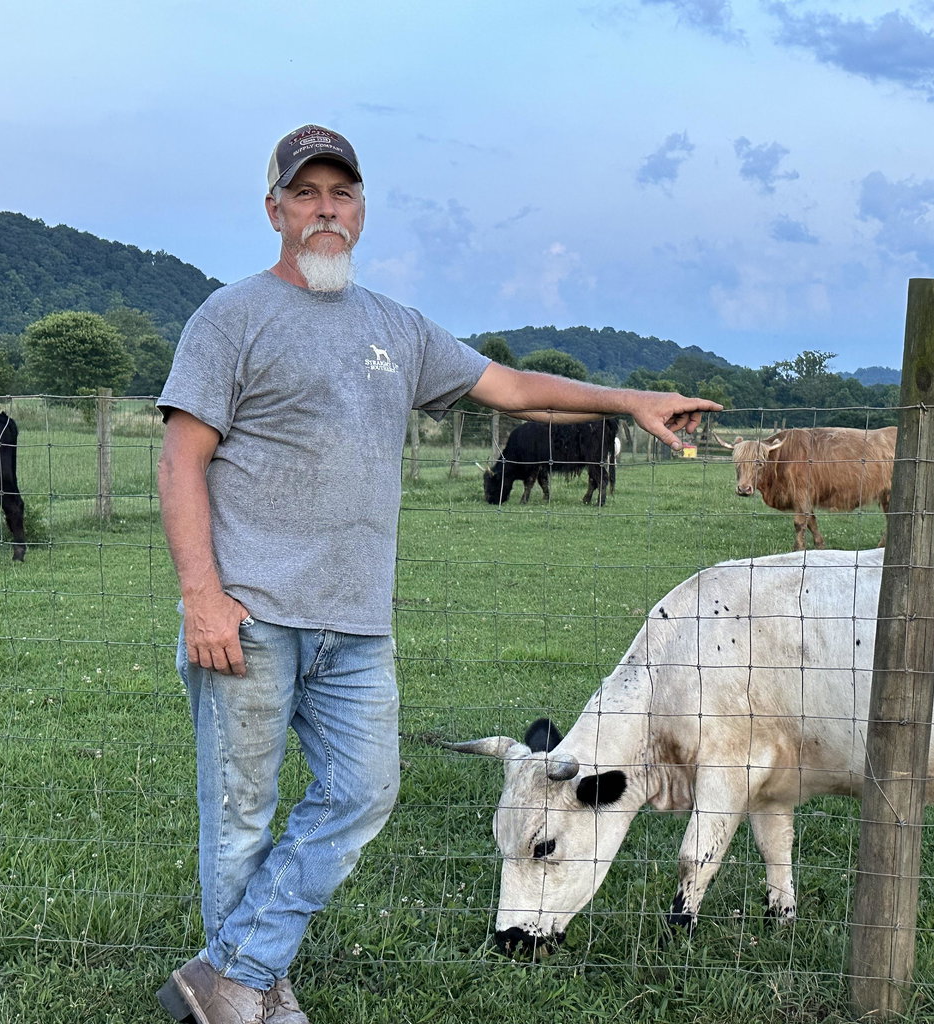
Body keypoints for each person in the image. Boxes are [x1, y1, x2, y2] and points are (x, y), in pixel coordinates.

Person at [155, 124, 721, 1024]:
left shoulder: (398, 329)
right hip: (250, 616)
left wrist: (633, 401)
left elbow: (514, 388)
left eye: (342, 194)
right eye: (306, 194)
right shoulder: (231, 317)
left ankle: (232, 972)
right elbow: (181, 459)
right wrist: (202, 597)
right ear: (274, 210)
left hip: (356, 625)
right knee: (242, 816)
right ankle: (251, 989)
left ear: (362, 210)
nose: (326, 210)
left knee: (365, 792)